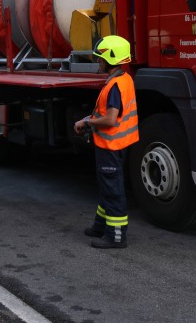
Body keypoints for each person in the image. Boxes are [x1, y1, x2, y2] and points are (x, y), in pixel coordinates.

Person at [74, 35, 139, 249]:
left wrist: (89, 123)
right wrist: (87, 120)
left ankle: (116, 236)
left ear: (110, 59)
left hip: (110, 146)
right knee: (106, 187)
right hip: (118, 145)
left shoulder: (114, 86)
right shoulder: (125, 79)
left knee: (113, 190)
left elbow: (110, 119)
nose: (99, 62)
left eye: (100, 58)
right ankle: (100, 227)